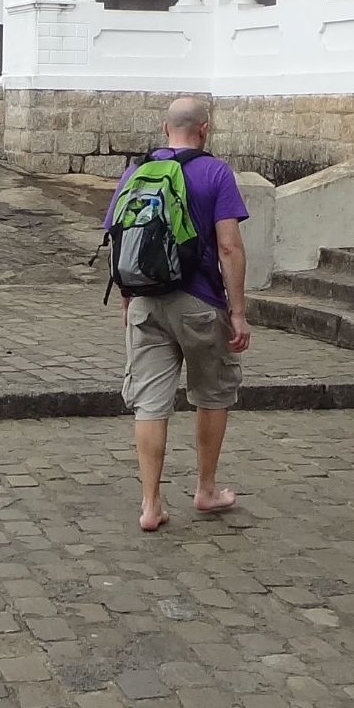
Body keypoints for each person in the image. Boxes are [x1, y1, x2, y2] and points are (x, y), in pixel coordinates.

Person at [108, 94, 252, 532]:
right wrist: (239, 311)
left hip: (146, 300)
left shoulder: (136, 171)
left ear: (163, 127)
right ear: (205, 129)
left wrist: (128, 300)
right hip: (200, 302)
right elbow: (228, 245)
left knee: (149, 404)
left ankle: (151, 504)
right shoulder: (215, 172)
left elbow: (119, 238)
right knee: (212, 394)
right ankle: (206, 488)